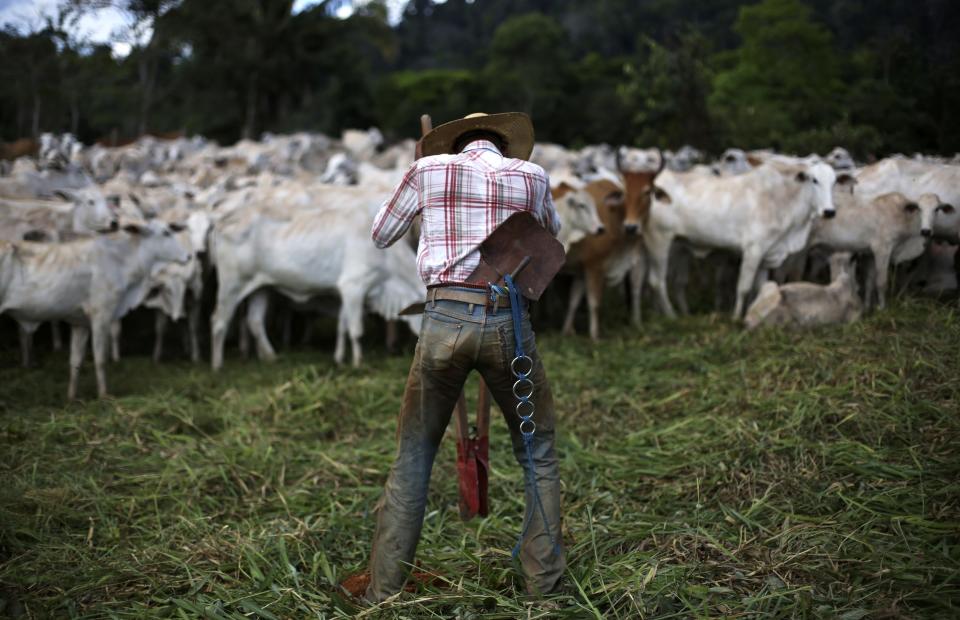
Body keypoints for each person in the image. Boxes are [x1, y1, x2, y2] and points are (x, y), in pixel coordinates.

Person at [364, 112, 566, 602]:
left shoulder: (429, 171)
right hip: (508, 322)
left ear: (456, 144)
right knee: (537, 453)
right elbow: (550, 237)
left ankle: (383, 593)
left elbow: (380, 234)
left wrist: (423, 189)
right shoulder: (532, 176)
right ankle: (545, 591)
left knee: (413, 456)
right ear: (503, 143)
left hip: (443, 320)